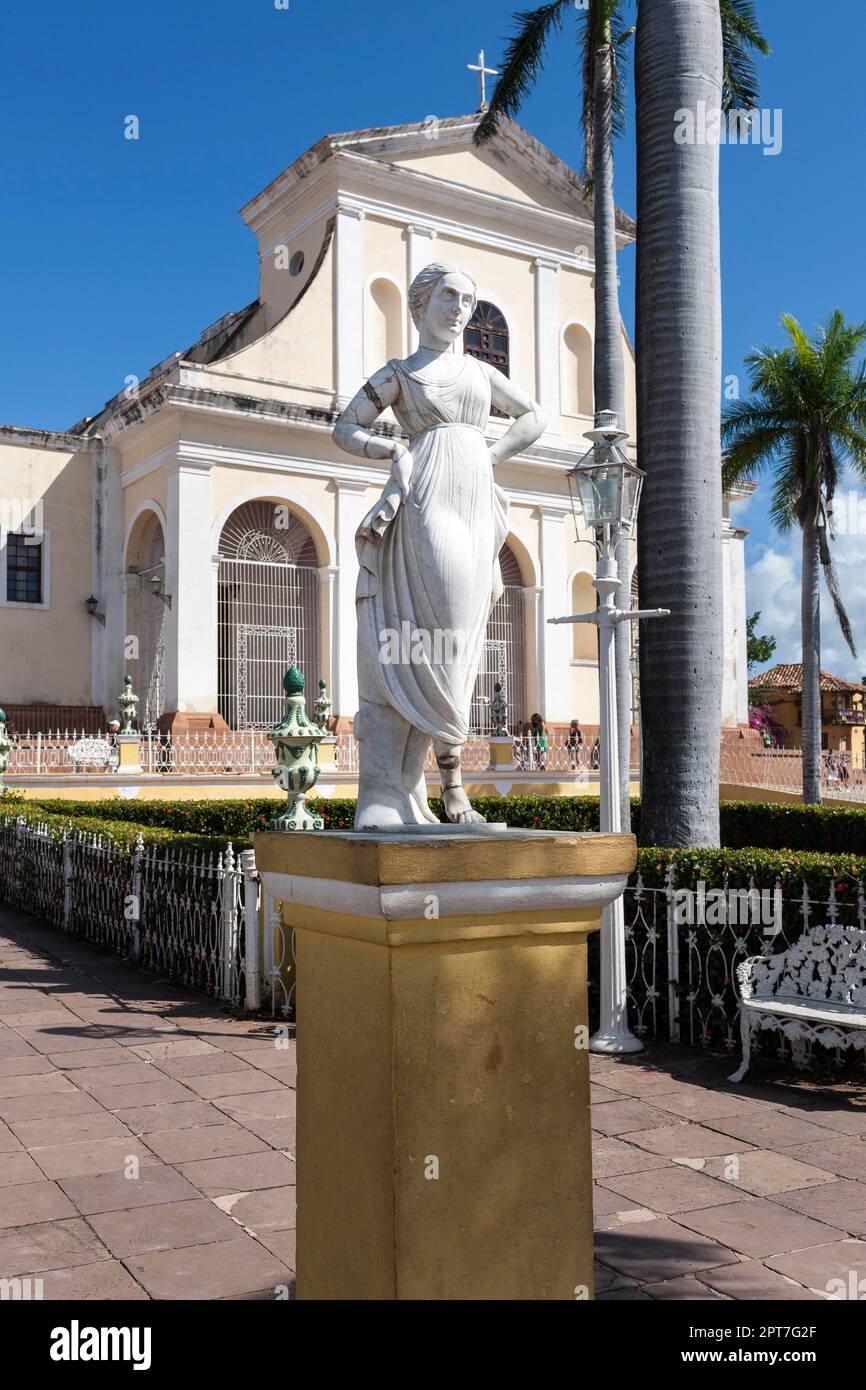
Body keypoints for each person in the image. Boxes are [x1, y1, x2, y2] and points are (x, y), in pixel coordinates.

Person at [333, 262, 547, 828]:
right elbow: (344, 427)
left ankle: (426, 792)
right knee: (435, 640)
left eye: (469, 301)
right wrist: (393, 453)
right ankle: (415, 792)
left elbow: (533, 417)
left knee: (462, 646)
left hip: (477, 503)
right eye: (449, 296)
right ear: (421, 303)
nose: (460, 308)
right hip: (428, 496)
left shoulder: (478, 373)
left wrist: (487, 457)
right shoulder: (401, 373)